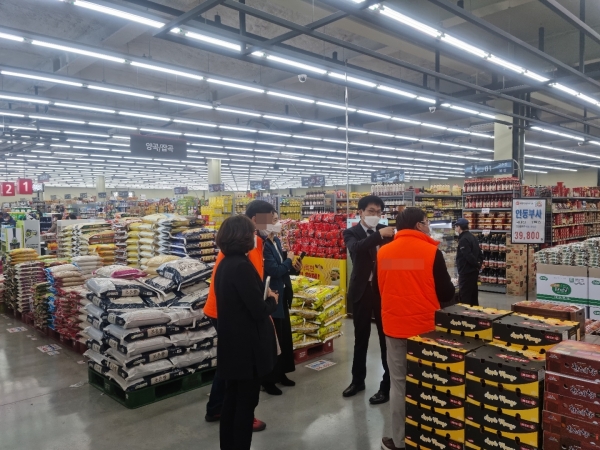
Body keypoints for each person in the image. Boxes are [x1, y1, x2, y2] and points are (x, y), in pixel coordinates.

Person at [378, 207, 456, 450]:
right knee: (428, 382)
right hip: (425, 329)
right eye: (426, 222)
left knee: (398, 384)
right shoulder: (431, 252)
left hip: (394, 326)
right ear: (418, 225)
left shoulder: (384, 252)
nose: (428, 226)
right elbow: (446, 293)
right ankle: (428, 437)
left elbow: (380, 288)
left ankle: (399, 441)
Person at [204, 200, 277, 432]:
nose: (273, 223)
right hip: (232, 313)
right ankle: (231, 410)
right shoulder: (245, 254)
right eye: (269, 219)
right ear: (254, 221)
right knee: (239, 370)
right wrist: (269, 301)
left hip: (227, 308)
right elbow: (250, 291)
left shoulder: (246, 249)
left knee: (231, 367)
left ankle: (220, 407)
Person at [342, 195, 395, 404]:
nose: (375, 215)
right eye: (371, 211)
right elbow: (356, 248)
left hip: (383, 291)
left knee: (385, 339)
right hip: (361, 291)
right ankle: (357, 381)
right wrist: (379, 235)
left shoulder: (387, 231)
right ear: (360, 212)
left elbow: (394, 259)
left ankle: (387, 385)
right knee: (360, 338)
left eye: (379, 212)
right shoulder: (351, 232)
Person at [261, 212, 302, 395]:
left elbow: (283, 270)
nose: (278, 223)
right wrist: (288, 260)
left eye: (277, 220)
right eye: (274, 220)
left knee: (284, 337)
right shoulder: (264, 245)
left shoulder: (276, 241)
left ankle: (281, 373)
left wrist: (294, 268)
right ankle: (268, 380)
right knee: (273, 339)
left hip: (282, 294)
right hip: (272, 296)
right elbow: (274, 270)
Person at [455, 218, 482, 307]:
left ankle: (465, 313)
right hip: (473, 271)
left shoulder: (463, 239)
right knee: (473, 295)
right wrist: (479, 265)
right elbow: (480, 253)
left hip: (466, 272)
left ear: (459, 227)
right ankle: (475, 312)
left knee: (465, 296)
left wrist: (477, 265)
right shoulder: (472, 237)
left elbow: (468, 256)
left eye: (456, 226)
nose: (455, 228)